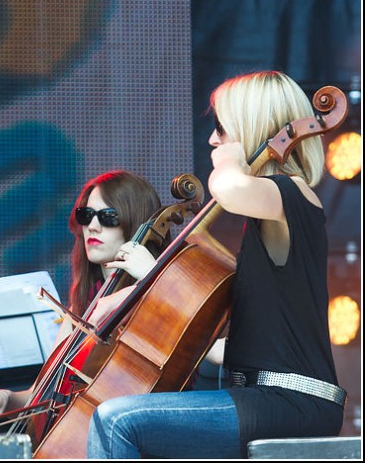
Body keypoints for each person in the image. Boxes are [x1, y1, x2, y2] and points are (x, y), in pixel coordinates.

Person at [87, 70, 346, 459]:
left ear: (251, 127)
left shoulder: (289, 193)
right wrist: (142, 292)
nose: (212, 139)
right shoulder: (269, 210)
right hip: (262, 395)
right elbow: (256, 338)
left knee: (117, 421)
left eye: (222, 128)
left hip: (290, 400)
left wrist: (230, 160)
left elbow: (227, 188)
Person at [0, 170, 163, 430]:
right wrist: (5, 397)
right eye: (86, 215)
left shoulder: (160, 299)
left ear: (136, 224)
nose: (92, 226)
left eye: (108, 217)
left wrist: (155, 279)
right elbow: (42, 392)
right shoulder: (86, 301)